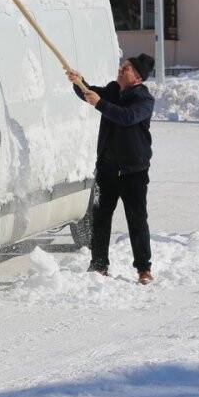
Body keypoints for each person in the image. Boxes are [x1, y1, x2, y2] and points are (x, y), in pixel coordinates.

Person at [67, 54, 156, 284]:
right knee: (100, 218)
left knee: (137, 220)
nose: (120, 69)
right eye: (121, 66)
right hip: (107, 169)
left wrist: (99, 103)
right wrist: (79, 81)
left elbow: (126, 117)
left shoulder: (144, 99)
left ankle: (143, 269)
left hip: (133, 171)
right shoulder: (114, 89)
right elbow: (89, 93)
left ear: (137, 76)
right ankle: (98, 264)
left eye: (126, 68)